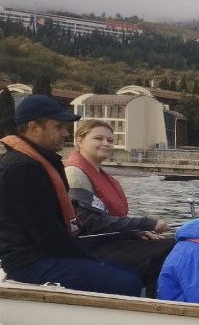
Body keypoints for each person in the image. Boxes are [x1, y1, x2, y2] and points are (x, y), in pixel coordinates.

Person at [0, 95, 142, 295]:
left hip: (44, 254)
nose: (65, 133)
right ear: (33, 127)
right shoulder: (21, 169)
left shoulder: (34, 163)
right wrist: (89, 259)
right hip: (29, 262)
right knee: (128, 282)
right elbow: (46, 234)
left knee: (131, 271)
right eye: (58, 127)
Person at [64, 118, 174, 295]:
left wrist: (136, 233)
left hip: (107, 242)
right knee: (169, 249)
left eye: (110, 140)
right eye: (98, 138)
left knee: (170, 244)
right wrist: (146, 223)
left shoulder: (100, 174)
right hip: (90, 248)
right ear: (80, 140)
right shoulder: (75, 174)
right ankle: (158, 304)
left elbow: (106, 219)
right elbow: (89, 221)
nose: (106, 143)